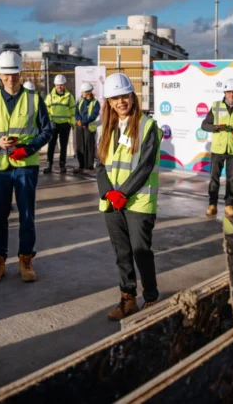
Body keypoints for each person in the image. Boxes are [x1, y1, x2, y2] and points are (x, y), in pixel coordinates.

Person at [0, 51, 52, 284]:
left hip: (25, 166)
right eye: (6, 74)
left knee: (26, 214)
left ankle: (26, 258)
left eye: (14, 73)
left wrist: (28, 149)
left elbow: (46, 131)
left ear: (21, 73)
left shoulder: (34, 99)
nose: (10, 78)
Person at [96, 73, 163, 321]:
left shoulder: (147, 126)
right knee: (121, 252)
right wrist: (109, 192)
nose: (120, 101)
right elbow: (99, 165)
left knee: (140, 250)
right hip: (112, 201)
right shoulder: (104, 128)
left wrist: (123, 193)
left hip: (139, 201)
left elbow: (145, 166)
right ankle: (128, 298)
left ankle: (152, 297)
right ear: (109, 102)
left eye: (124, 96)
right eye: (115, 98)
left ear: (132, 97)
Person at [201, 78, 233, 219]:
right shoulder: (216, 106)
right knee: (214, 178)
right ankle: (212, 204)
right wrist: (216, 127)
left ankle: (229, 205)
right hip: (218, 149)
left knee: (231, 179)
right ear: (225, 92)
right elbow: (204, 125)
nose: (232, 95)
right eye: (229, 92)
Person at [44, 74, 75, 174]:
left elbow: (73, 111)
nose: (59, 87)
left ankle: (62, 165)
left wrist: (72, 123)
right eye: (58, 85)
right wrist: (49, 122)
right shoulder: (49, 97)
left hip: (65, 125)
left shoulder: (70, 97)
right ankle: (49, 164)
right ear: (55, 85)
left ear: (64, 85)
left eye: (61, 85)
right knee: (51, 145)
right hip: (53, 125)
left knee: (64, 146)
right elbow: (46, 110)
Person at [73, 82, 100, 175]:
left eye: (84, 92)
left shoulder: (95, 102)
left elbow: (94, 115)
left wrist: (84, 122)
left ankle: (89, 166)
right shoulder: (80, 100)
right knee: (80, 146)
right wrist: (79, 120)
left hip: (89, 127)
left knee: (89, 146)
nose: (82, 93)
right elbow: (76, 111)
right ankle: (81, 166)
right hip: (80, 127)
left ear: (88, 92)